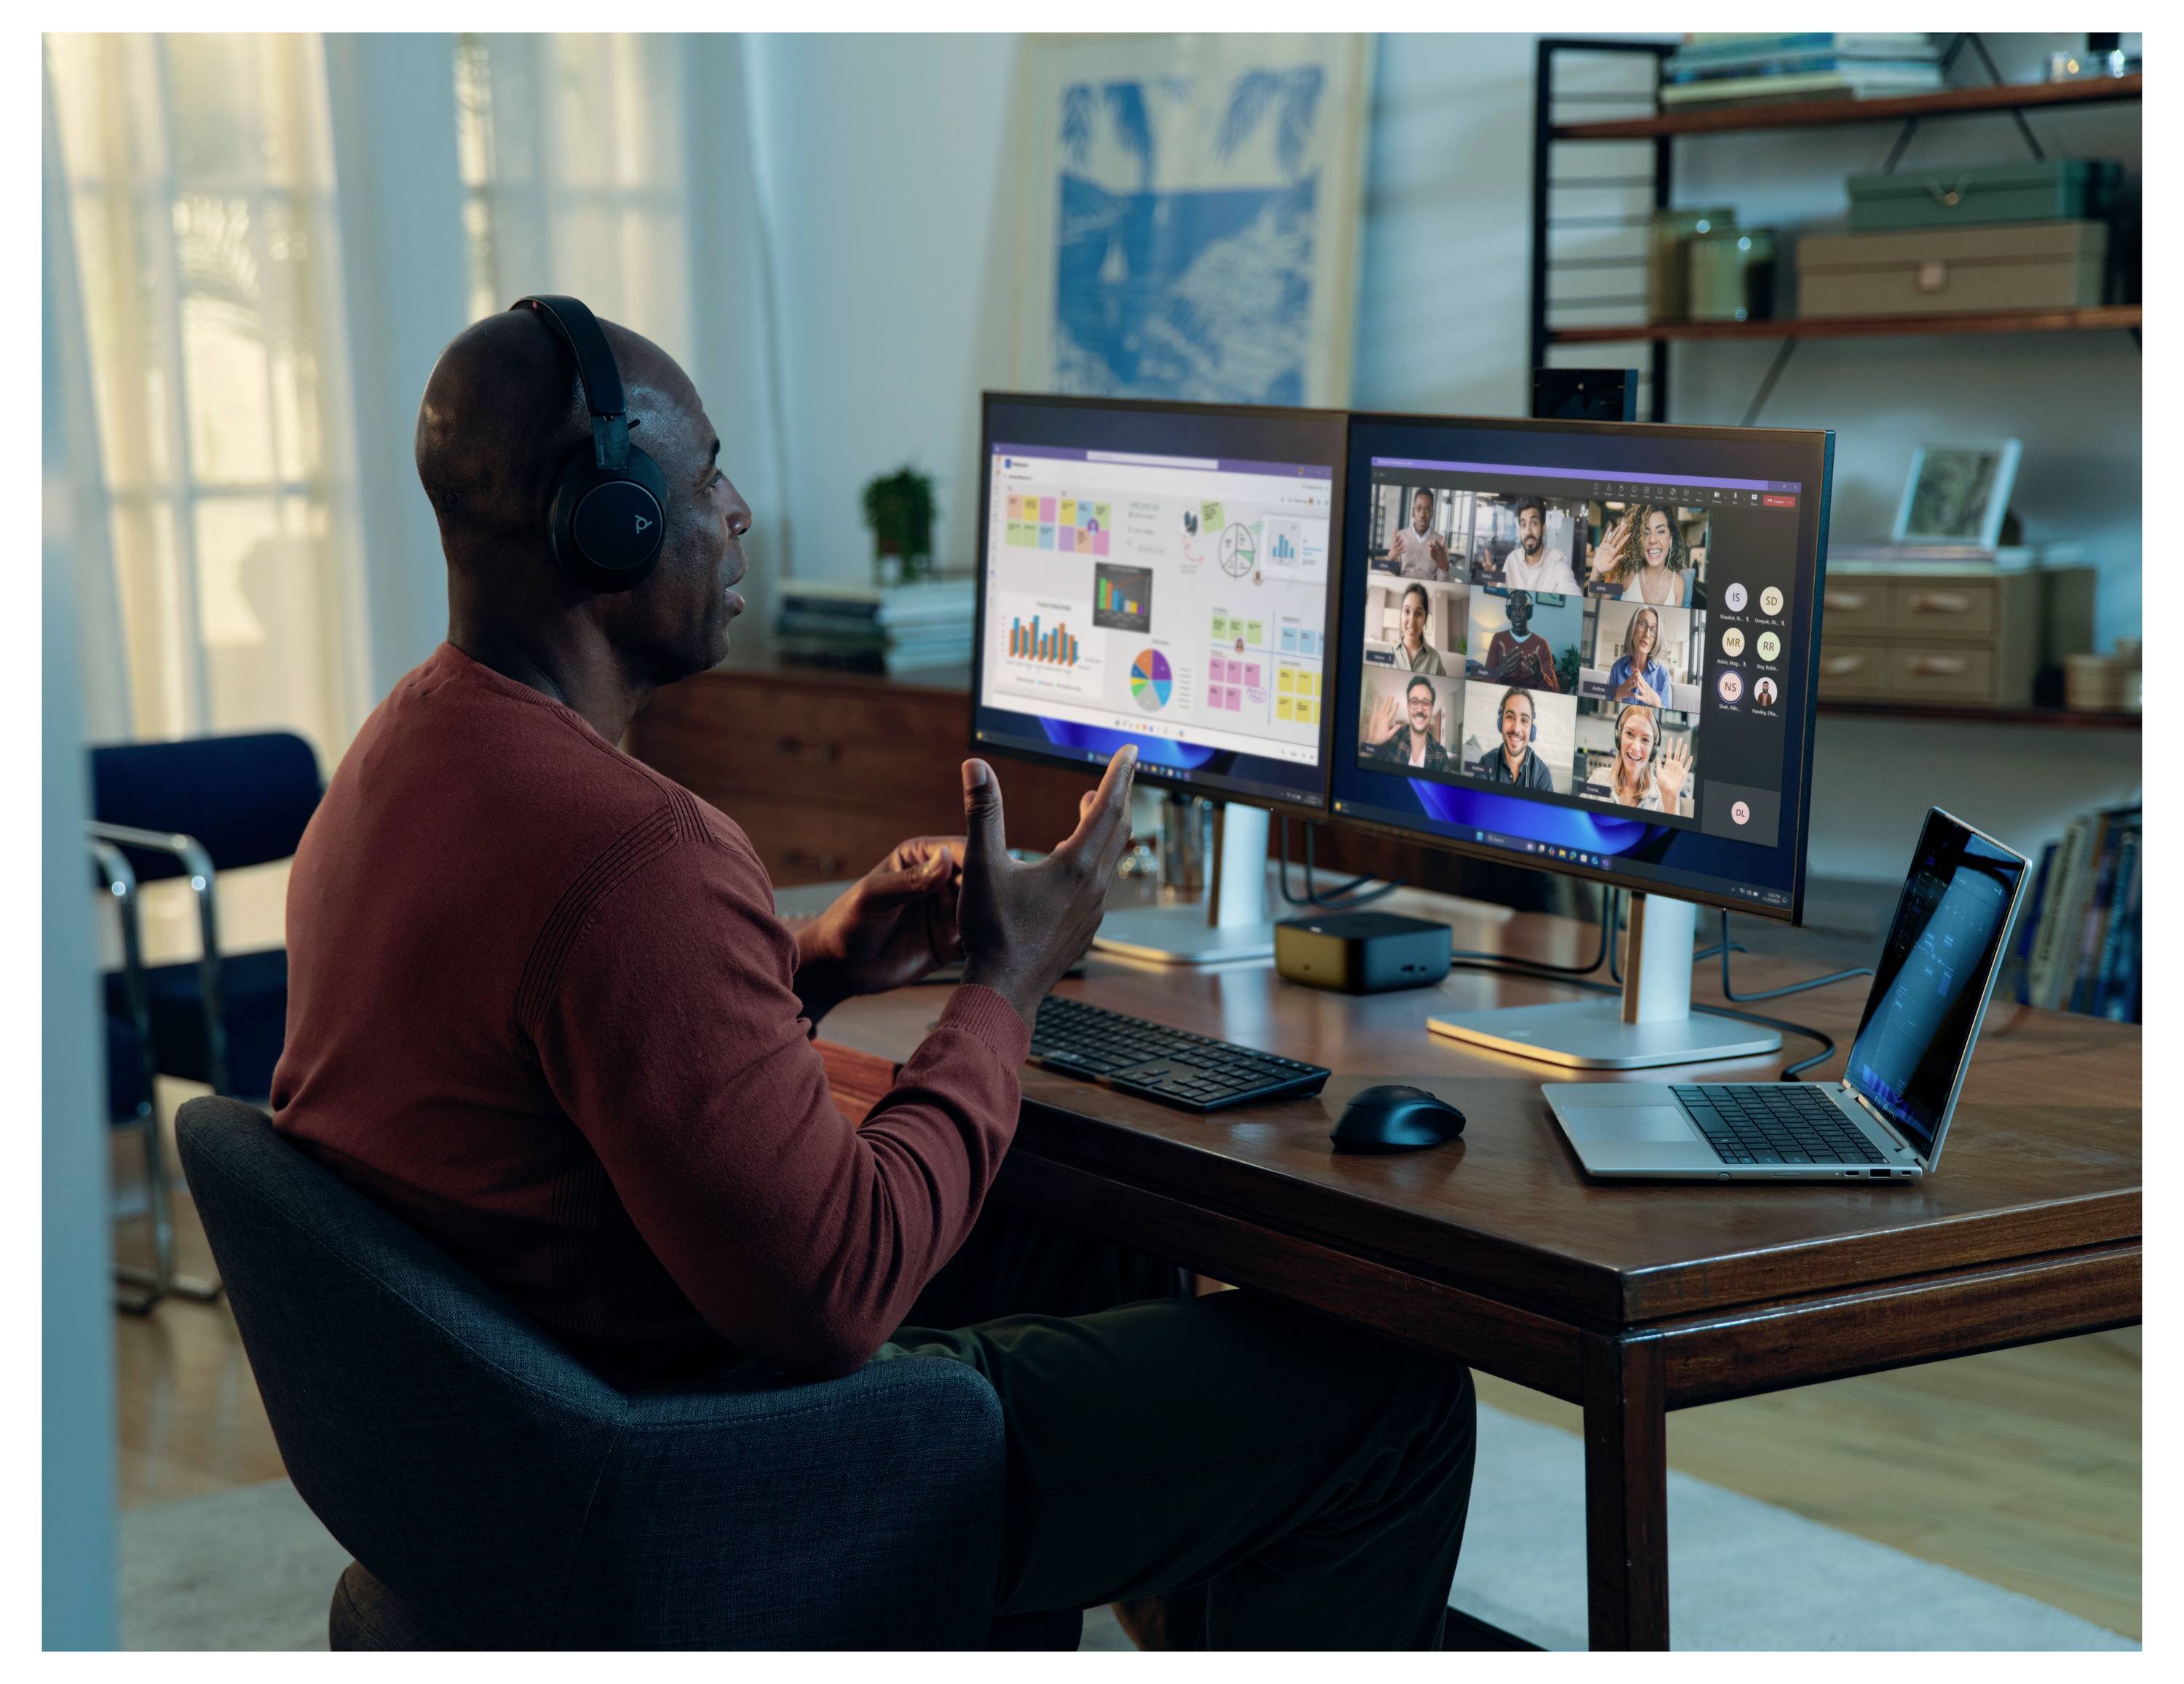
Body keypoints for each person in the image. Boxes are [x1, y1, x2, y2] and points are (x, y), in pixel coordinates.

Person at [268, 304, 1475, 1650]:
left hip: (528, 1447)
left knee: (1083, 1236)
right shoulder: (636, 850)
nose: (735, 514)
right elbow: (836, 1289)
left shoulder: (392, 767)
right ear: (602, 527)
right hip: (719, 1479)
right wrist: (1008, 982)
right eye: (703, 476)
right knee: (1394, 1402)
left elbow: (568, 1043)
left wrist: (820, 960)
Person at [1600, 702, 1694, 813]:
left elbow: (1671, 831)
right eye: (1630, 734)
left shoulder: (1661, 795)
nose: (1635, 747)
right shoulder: (1598, 780)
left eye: (1645, 740)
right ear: (1619, 738)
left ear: (1653, 750)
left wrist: (1672, 797)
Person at [1591, 503, 1689, 606]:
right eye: (1646, 533)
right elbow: (1595, 600)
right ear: (1639, 541)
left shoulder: (1678, 584)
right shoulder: (1627, 576)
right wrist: (1596, 570)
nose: (1652, 540)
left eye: (1660, 531)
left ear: (1670, 539)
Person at [1472, 687, 1556, 789]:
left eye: (1524, 720)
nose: (1516, 729)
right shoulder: (1485, 763)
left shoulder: (1542, 775)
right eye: (1510, 717)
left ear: (1532, 730)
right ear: (1500, 723)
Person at [1363, 674, 1451, 770]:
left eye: (1426, 703)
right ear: (1408, 706)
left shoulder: (1441, 754)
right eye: (1414, 702)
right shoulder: (1391, 740)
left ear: (1432, 709)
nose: (1420, 709)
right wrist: (1371, 744)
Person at [1497, 496, 1580, 594]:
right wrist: (1493, 587)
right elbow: (1499, 594)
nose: (1528, 531)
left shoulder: (1557, 562)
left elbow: (1572, 592)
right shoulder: (1512, 559)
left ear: (1543, 529)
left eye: (1534, 523)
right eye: (1523, 525)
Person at [1484, 589, 1560, 693]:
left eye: (1522, 609)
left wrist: (1540, 676)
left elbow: (1556, 691)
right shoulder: (1498, 639)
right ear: (1509, 612)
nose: (1518, 614)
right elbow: (1485, 680)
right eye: (1514, 608)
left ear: (1529, 612)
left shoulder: (1542, 644)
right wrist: (1500, 671)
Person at [1606, 606, 1673, 708]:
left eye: (1653, 630)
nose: (1647, 634)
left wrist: (1657, 703)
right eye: (1643, 624)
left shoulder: (1664, 675)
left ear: (1657, 639)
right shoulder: (1616, 668)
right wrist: (1617, 695)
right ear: (1633, 629)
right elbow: (1605, 708)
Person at [1388, 488, 1449, 579]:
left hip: (1428, 591)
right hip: (1402, 589)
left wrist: (1445, 568)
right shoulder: (1400, 537)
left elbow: (1444, 586)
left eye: (1428, 510)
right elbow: (1391, 577)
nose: (1422, 515)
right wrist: (1390, 559)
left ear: (1432, 513)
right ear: (1413, 512)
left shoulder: (1440, 543)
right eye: (1418, 509)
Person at [1391, 582, 1445, 674]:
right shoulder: (1389, 653)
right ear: (1401, 615)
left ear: (1425, 619)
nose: (1412, 621)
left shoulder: (1435, 658)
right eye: (1407, 611)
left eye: (1419, 613)